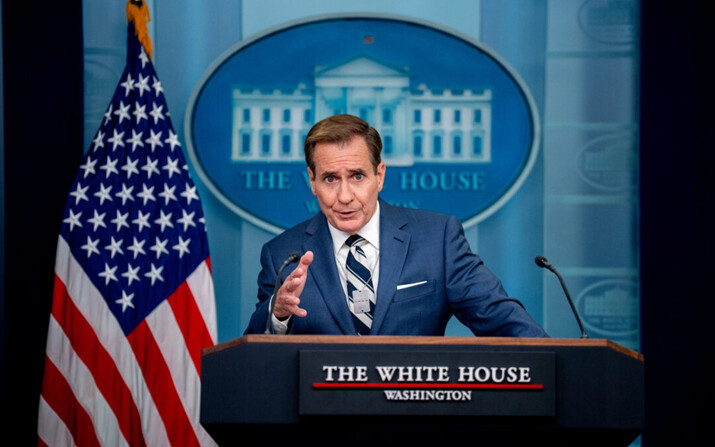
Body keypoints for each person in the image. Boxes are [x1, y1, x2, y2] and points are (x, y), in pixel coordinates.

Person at [245, 114, 548, 337]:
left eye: (357, 176)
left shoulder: (437, 240)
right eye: (330, 179)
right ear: (312, 181)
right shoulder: (282, 254)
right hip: (319, 418)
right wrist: (279, 312)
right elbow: (257, 351)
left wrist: (559, 363)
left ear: (380, 175)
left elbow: (499, 317)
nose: (345, 196)